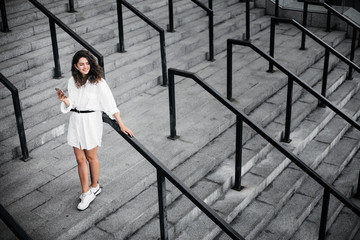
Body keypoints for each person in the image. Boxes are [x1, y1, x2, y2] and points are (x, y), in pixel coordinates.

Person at [56, 50, 134, 211]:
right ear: (75, 66)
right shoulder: (73, 81)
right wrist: (65, 101)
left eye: (87, 63)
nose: (85, 66)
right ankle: (86, 193)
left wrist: (121, 123)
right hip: (76, 121)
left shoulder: (98, 82)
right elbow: (74, 102)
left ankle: (94, 186)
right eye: (81, 64)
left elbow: (109, 104)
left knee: (91, 157)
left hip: (91, 121)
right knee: (79, 159)